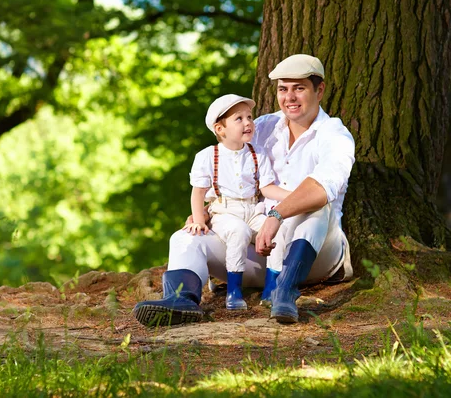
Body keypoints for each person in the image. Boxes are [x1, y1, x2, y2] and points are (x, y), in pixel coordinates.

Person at [133, 54, 355, 326]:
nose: (290, 97)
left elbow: (321, 189)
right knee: (185, 237)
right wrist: (205, 211)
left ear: (319, 91)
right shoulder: (262, 127)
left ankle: (285, 292)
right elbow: (230, 169)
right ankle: (181, 300)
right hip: (258, 251)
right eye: (283, 89)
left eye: (299, 88)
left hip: (315, 255)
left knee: (317, 207)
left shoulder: (334, 134)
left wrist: (276, 215)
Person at [186, 94, 290, 310]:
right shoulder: (208, 156)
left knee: (276, 230)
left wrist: (293, 196)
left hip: (253, 209)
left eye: (250, 117)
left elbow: (266, 188)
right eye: (239, 119)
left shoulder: (257, 153)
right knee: (238, 231)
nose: (248, 123)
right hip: (225, 211)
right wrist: (198, 220)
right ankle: (233, 290)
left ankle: (272, 289)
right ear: (220, 129)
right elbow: (198, 193)